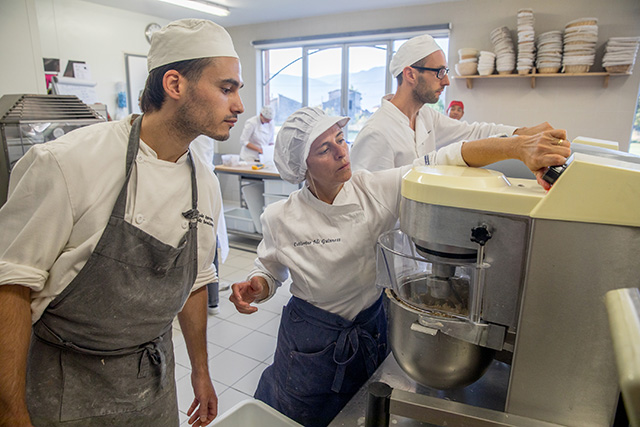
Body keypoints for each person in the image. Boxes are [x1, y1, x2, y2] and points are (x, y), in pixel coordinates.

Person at [229, 107, 569, 427]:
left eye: (340, 139)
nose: (340, 152)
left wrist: (515, 147)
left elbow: (443, 159)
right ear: (301, 167)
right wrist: (257, 285)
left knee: (357, 409)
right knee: (301, 413)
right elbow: (271, 268)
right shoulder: (280, 217)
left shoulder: (371, 190)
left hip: (367, 329)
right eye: (323, 149)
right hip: (311, 340)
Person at [0, 18, 244, 427]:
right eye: (226, 88)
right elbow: (11, 285)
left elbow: (196, 282)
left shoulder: (204, 180)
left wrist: (201, 372)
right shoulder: (66, 163)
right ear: (175, 84)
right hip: (65, 386)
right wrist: (10, 413)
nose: (238, 105)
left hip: (153, 383)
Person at [350, 34, 561, 175]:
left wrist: (523, 133)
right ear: (410, 74)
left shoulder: (425, 117)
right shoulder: (376, 133)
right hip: (390, 240)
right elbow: (365, 205)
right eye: (439, 72)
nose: (447, 81)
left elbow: (473, 132)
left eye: (446, 72)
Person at [189, 134, 231, 315]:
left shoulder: (197, 131)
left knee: (207, 241)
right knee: (207, 240)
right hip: (200, 179)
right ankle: (212, 300)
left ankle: (212, 300)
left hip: (200, 181)